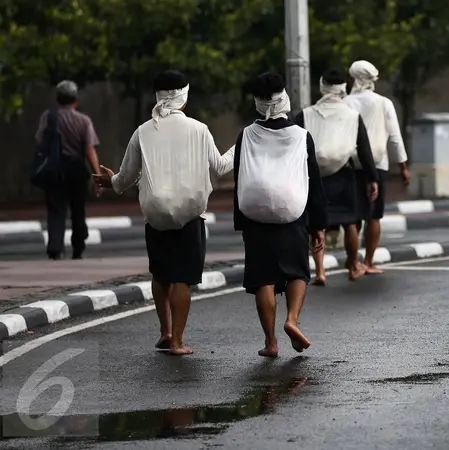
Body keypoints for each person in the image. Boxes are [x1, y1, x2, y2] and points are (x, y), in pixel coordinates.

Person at [93, 70, 235, 356]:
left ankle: (165, 331)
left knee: (161, 274)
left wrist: (110, 181)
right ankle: (178, 342)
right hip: (190, 214)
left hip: (155, 215)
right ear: (184, 96)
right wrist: (242, 146)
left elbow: (124, 179)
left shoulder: (143, 131)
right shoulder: (199, 129)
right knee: (182, 277)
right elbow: (220, 167)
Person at [232, 72, 328, 358]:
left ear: (258, 103)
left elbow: (240, 176)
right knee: (297, 270)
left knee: (263, 277)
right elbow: (313, 181)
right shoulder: (300, 135)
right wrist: (318, 226)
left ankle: (271, 343)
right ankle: (292, 320)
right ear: (283, 97)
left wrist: (242, 224)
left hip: (255, 215)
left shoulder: (246, 135)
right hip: (293, 213)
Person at [295, 69, 379, 285]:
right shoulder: (352, 116)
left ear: (322, 86)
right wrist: (372, 178)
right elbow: (364, 151)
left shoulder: (305, 114)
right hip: (343, 176)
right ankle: (353, 266)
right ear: (343, 88)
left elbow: (293, 147)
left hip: (314, 177)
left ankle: (320, 271)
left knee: (316, 225)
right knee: (350, 222)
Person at [344, 60, 412, 275]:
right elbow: (395, 137)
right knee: (374, 215)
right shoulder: (384, 103)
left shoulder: (346, 102)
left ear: (354, 77)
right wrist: (403, 166)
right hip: (379, 164)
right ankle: (369, 261)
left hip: (352, 164)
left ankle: (353, 262)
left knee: (354, 215)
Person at [34, 80, 102, 260]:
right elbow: (89, 149)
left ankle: (55, 248)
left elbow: (40, 141)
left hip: (55, 169)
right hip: (77, 169)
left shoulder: (48, 117)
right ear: (75, 100)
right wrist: (98, 175)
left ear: (57, 99)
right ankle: (78, 247)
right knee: (78, 209)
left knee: (56, 209)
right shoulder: (83, 120)